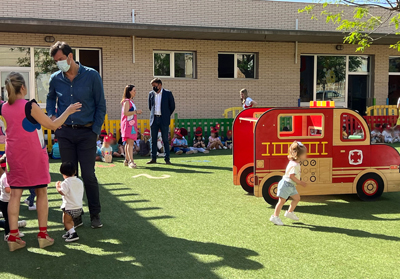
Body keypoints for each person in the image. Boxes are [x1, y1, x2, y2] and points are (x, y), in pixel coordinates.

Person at [3, 72, 81, 251]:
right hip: (33, 155)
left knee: (15, 195)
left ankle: (13, 237)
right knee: (41, 193)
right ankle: (43, 235)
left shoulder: (4, 108)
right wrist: (68, 111)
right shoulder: (29, 106)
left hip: (13, 155)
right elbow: (52, 126)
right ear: (23, 87)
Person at [47, 41, 106, 229]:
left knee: (88, 175)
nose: (59, 64)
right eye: (56, 61)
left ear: (70, 56)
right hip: (65, 134)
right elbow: (50, 98)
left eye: (61, 59)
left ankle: (95, 214)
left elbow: (101, 105)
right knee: (70, 177)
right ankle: (75, 215)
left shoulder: (92, 76)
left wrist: (95, 130)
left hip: (87, 133)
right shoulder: (55, 78)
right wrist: (52, 117)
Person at [270, 141, 307, 226]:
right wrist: (300, 182)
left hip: (291, 185)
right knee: (281, 201)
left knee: (297, 198)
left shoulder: (296, 163)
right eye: (304, 154)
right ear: (297, 155)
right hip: (286, 185)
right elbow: (291, 176)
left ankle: (289, 212)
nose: (305, 155)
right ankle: (275, 217)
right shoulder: (294, 165)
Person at [147, 78, 175, 165]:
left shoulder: (168, 93)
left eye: (155, 86)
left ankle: (167, 159)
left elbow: (172, 106)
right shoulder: (151, 94)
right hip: (154, 119)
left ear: (160, 85)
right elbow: (150, 107)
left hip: (164, 119)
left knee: (165, 140)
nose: (154, 88)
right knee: (153, 140)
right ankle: (153, 158)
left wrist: (166, 115)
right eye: (152, 86)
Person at [56, 162, 84, 243]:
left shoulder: (66, 182)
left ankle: (73, 233)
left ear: (62, 173)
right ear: (74, 171)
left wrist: (58, 187)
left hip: (69, 207)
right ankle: (70, 231)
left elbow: (62, 192)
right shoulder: (79, 181)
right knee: (71, 221)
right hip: (78, 207)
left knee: (66, 222)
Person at [0, 171, 27, 241]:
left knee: (14, 217)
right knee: (8, 219)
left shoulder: (8, 175)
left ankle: (15, 232)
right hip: (6, 202)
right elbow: (7, 189)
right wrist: (17, 190)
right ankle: (7, 234)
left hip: (10, 200)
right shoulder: (6, 177)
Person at [121, 85, 142, 168]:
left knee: (128, 142)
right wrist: (136, 111)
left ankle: (127, 160)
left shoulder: (130, 101)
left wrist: (135, 112)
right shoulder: (126, 101)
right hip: (128, 125)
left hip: (131, 124)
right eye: (134, 90)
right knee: (130, 142)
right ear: (129, 91)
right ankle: (131, 161)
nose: (135, 92)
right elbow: (126, 113)